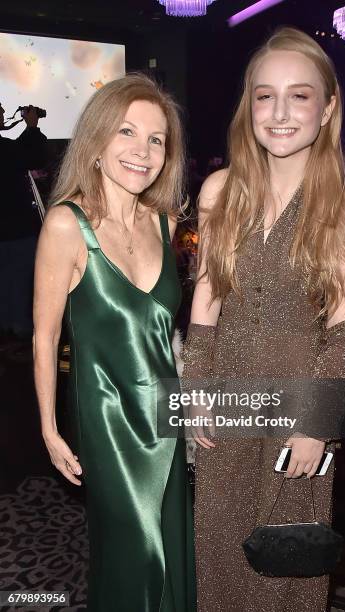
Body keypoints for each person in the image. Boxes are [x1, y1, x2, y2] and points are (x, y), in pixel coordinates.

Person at [182, 27, 345, 611]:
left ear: (328, 106)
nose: (280, 112)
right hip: (226, 405)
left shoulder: (344, 203)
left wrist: (317, 422)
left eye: (300, 95)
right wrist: (194, 396)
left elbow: (342, 327)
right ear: (249, 106)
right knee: (218, 553)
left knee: (288, 565)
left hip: (300, 411)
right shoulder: (220, 191)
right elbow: (206, 305)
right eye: (264, 95)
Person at [33, 74, 195, 612]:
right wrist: (50, 429)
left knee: (172, 545)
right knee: (138, 548)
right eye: (127, 132)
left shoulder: (166, 222)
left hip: (166, 416)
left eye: (156, 139)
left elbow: (165, 334)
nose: (142, 151)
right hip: (108, 418)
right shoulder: (65, 224)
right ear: (97, 142)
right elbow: (44, 334)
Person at [0, 103, 47, 338]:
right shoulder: (7, 150)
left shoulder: (8, 148)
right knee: (19, 284)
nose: (2, 112)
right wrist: (32, 127)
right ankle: (18, 338)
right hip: (15, 231)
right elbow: (33, 157)